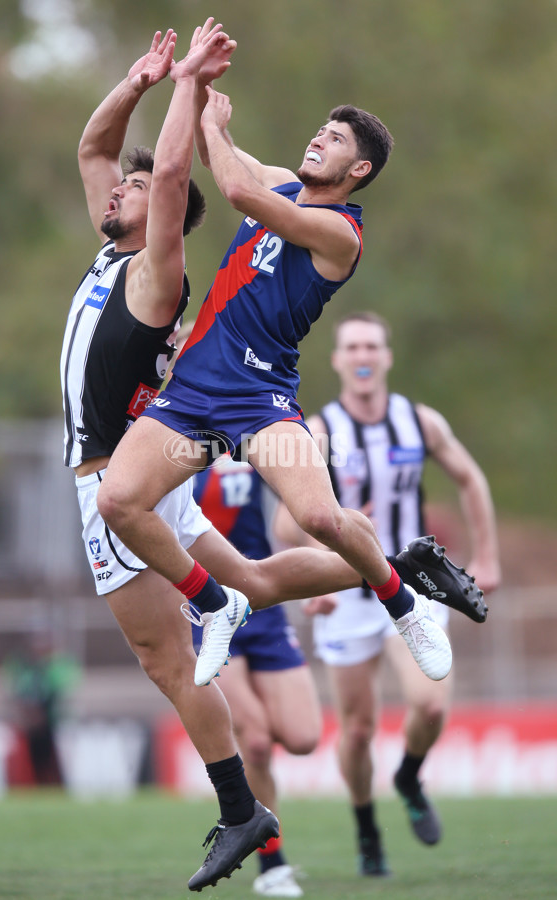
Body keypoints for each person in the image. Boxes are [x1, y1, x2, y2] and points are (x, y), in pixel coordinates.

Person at [61, 23, 439, 893]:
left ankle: (241, 809)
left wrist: (197, 96)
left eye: (135, 188)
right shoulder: (107, 247)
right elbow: (95, 147)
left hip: (173, 447)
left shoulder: (156, 265)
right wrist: (150, 80)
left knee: (170, 659)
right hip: (185, 427)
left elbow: (203, 179)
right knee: (261, 581)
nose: (116, 188)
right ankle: (394, 568)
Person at [98, 64, 486, 712]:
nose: (318, 140)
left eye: (335, 140)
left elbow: (239, 192)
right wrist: (191, 77)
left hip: (259, 401)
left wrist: (217, 131)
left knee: (318, 518)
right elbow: (209, 146)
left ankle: (402, 601)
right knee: (119, 502)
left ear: (358, 171)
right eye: (321, 131)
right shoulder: (283, 181)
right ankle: (214, 601)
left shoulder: (340, 233)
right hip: (191, 396)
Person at [276, 311, 501, 877]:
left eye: (371, 344)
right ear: (338, 359)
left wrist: (488, 554)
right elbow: (285, 522)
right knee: (357, 728)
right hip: (348, 594)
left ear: (387, 356)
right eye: (351, 346)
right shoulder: (320, 432)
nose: (362, 355)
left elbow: (470, 478)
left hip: (415, 586)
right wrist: (321, 566)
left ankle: (407, 776)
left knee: (428, 702)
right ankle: (367, 829)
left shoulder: (418, 422)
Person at [193, 452, 317, 898]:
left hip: (262, 604)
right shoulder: (165, 441)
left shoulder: (253, 432)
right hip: (205, 608)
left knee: (304, 737)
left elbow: (296, 504)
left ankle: (254, 754)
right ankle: (273, 864)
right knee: (258, 742)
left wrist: (321, 559)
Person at [2, 626, 80, 785]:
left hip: (51, 723)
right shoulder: (22, 665)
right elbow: (14, 691)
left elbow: (59, 692)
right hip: (30, 725)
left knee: (52, 761)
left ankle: (54, 783)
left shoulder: (57, 664)